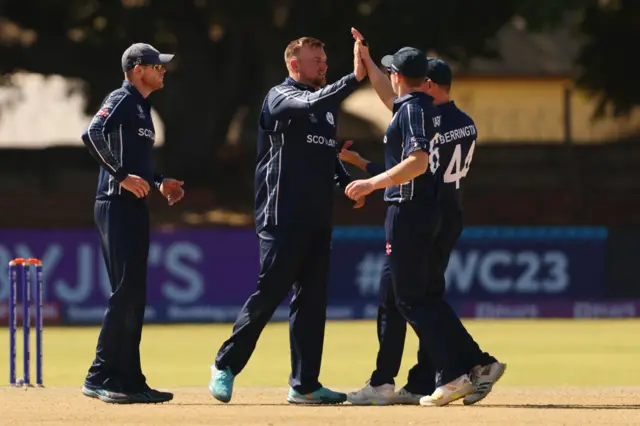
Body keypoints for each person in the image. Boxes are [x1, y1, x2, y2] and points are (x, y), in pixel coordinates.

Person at [343, 29, 506, 406]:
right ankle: (420, 379)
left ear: (414, 81)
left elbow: (416, 163)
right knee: (413, 297)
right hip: (441, 210)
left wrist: (370, 182)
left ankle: (459, 370)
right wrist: (367, 62)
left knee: (413, 299)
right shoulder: (448, 117)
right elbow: (394, 103)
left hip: (418, 210)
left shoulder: (420, 113)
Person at [209, 35, 367, 405]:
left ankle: (305, 384)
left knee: (313, 299)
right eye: (317, 61)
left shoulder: (327, 110)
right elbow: (310, 101)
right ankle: (224, 365)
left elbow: (327, 154)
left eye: (326, 60)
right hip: (281, 213)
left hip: (317, 215)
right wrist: (354, 77)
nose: (324, 66)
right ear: (294, 65)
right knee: (271, 292)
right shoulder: (280, 96)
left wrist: (347, 184)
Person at [80, 43, 184, 404]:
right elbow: (91, 134)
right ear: (138, 69)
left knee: (135, 296)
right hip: (115, 204)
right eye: (157, 66)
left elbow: (140, 164)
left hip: (134, 205)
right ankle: (99, 376)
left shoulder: (142, 108)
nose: (162, 70)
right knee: (125, 293)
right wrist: (122, 176)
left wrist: (159, 182)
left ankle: (129, 379)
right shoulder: (122, 97)